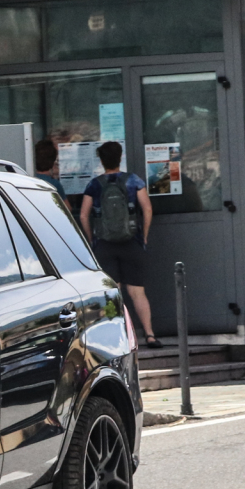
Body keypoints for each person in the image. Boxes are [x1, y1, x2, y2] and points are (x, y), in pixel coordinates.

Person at [79, 141, 161, 348]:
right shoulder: (133, 181)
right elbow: (148, 209)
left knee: (112, 293)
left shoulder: (95, 185)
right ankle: (149, 335)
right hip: (131, 242)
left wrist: (92, 240)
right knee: (137, 292)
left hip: (104, 245)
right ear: (120, 157)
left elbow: (83, 215)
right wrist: (144, 236)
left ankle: (117, 338)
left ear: (101, 160)